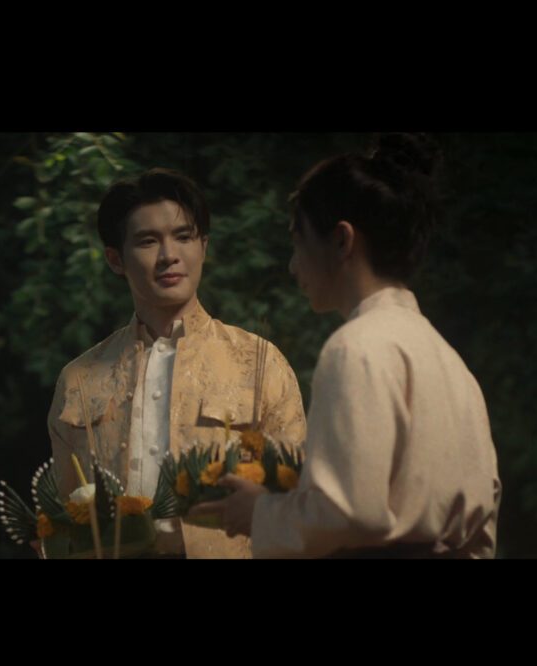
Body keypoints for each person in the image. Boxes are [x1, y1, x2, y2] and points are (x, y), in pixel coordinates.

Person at [193, 134, 502, 558]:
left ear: (341, 240)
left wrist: (259, 511)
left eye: (298, 241)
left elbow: (348, 512)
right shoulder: (452, 364)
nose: (293, 265)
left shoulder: (356, 348)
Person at [47, 168, 306, 558]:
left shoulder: (260, 363)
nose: (169, 256)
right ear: (116, 259)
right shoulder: (79, 380)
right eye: (148, 241)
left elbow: (296, 504)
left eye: (183, 237)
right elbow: (60, 520)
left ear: (204, 246)